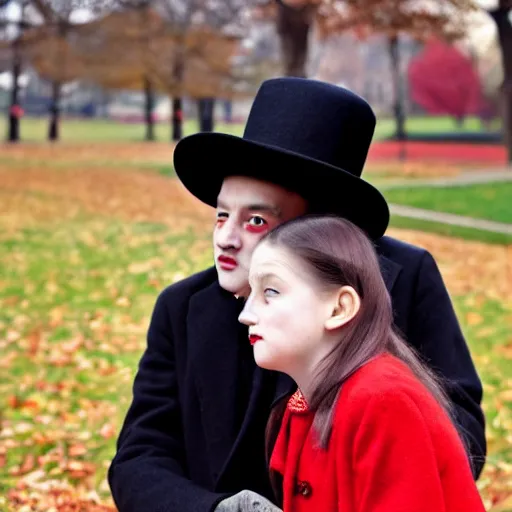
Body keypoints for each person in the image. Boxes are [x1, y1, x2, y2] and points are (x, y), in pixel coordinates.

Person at [108, 77, 486, 512]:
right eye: (221, 215)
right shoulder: (182, 306)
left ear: (319, 229)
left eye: (255, 221)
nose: (226, 239)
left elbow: (456, 434)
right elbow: (139, 455)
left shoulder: (399, 281)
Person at [239, 214, 486, 512]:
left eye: (270, 292)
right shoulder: (303, 403)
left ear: (339, 308)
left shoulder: (384, 400)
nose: (246, 314)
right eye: (249, 293)